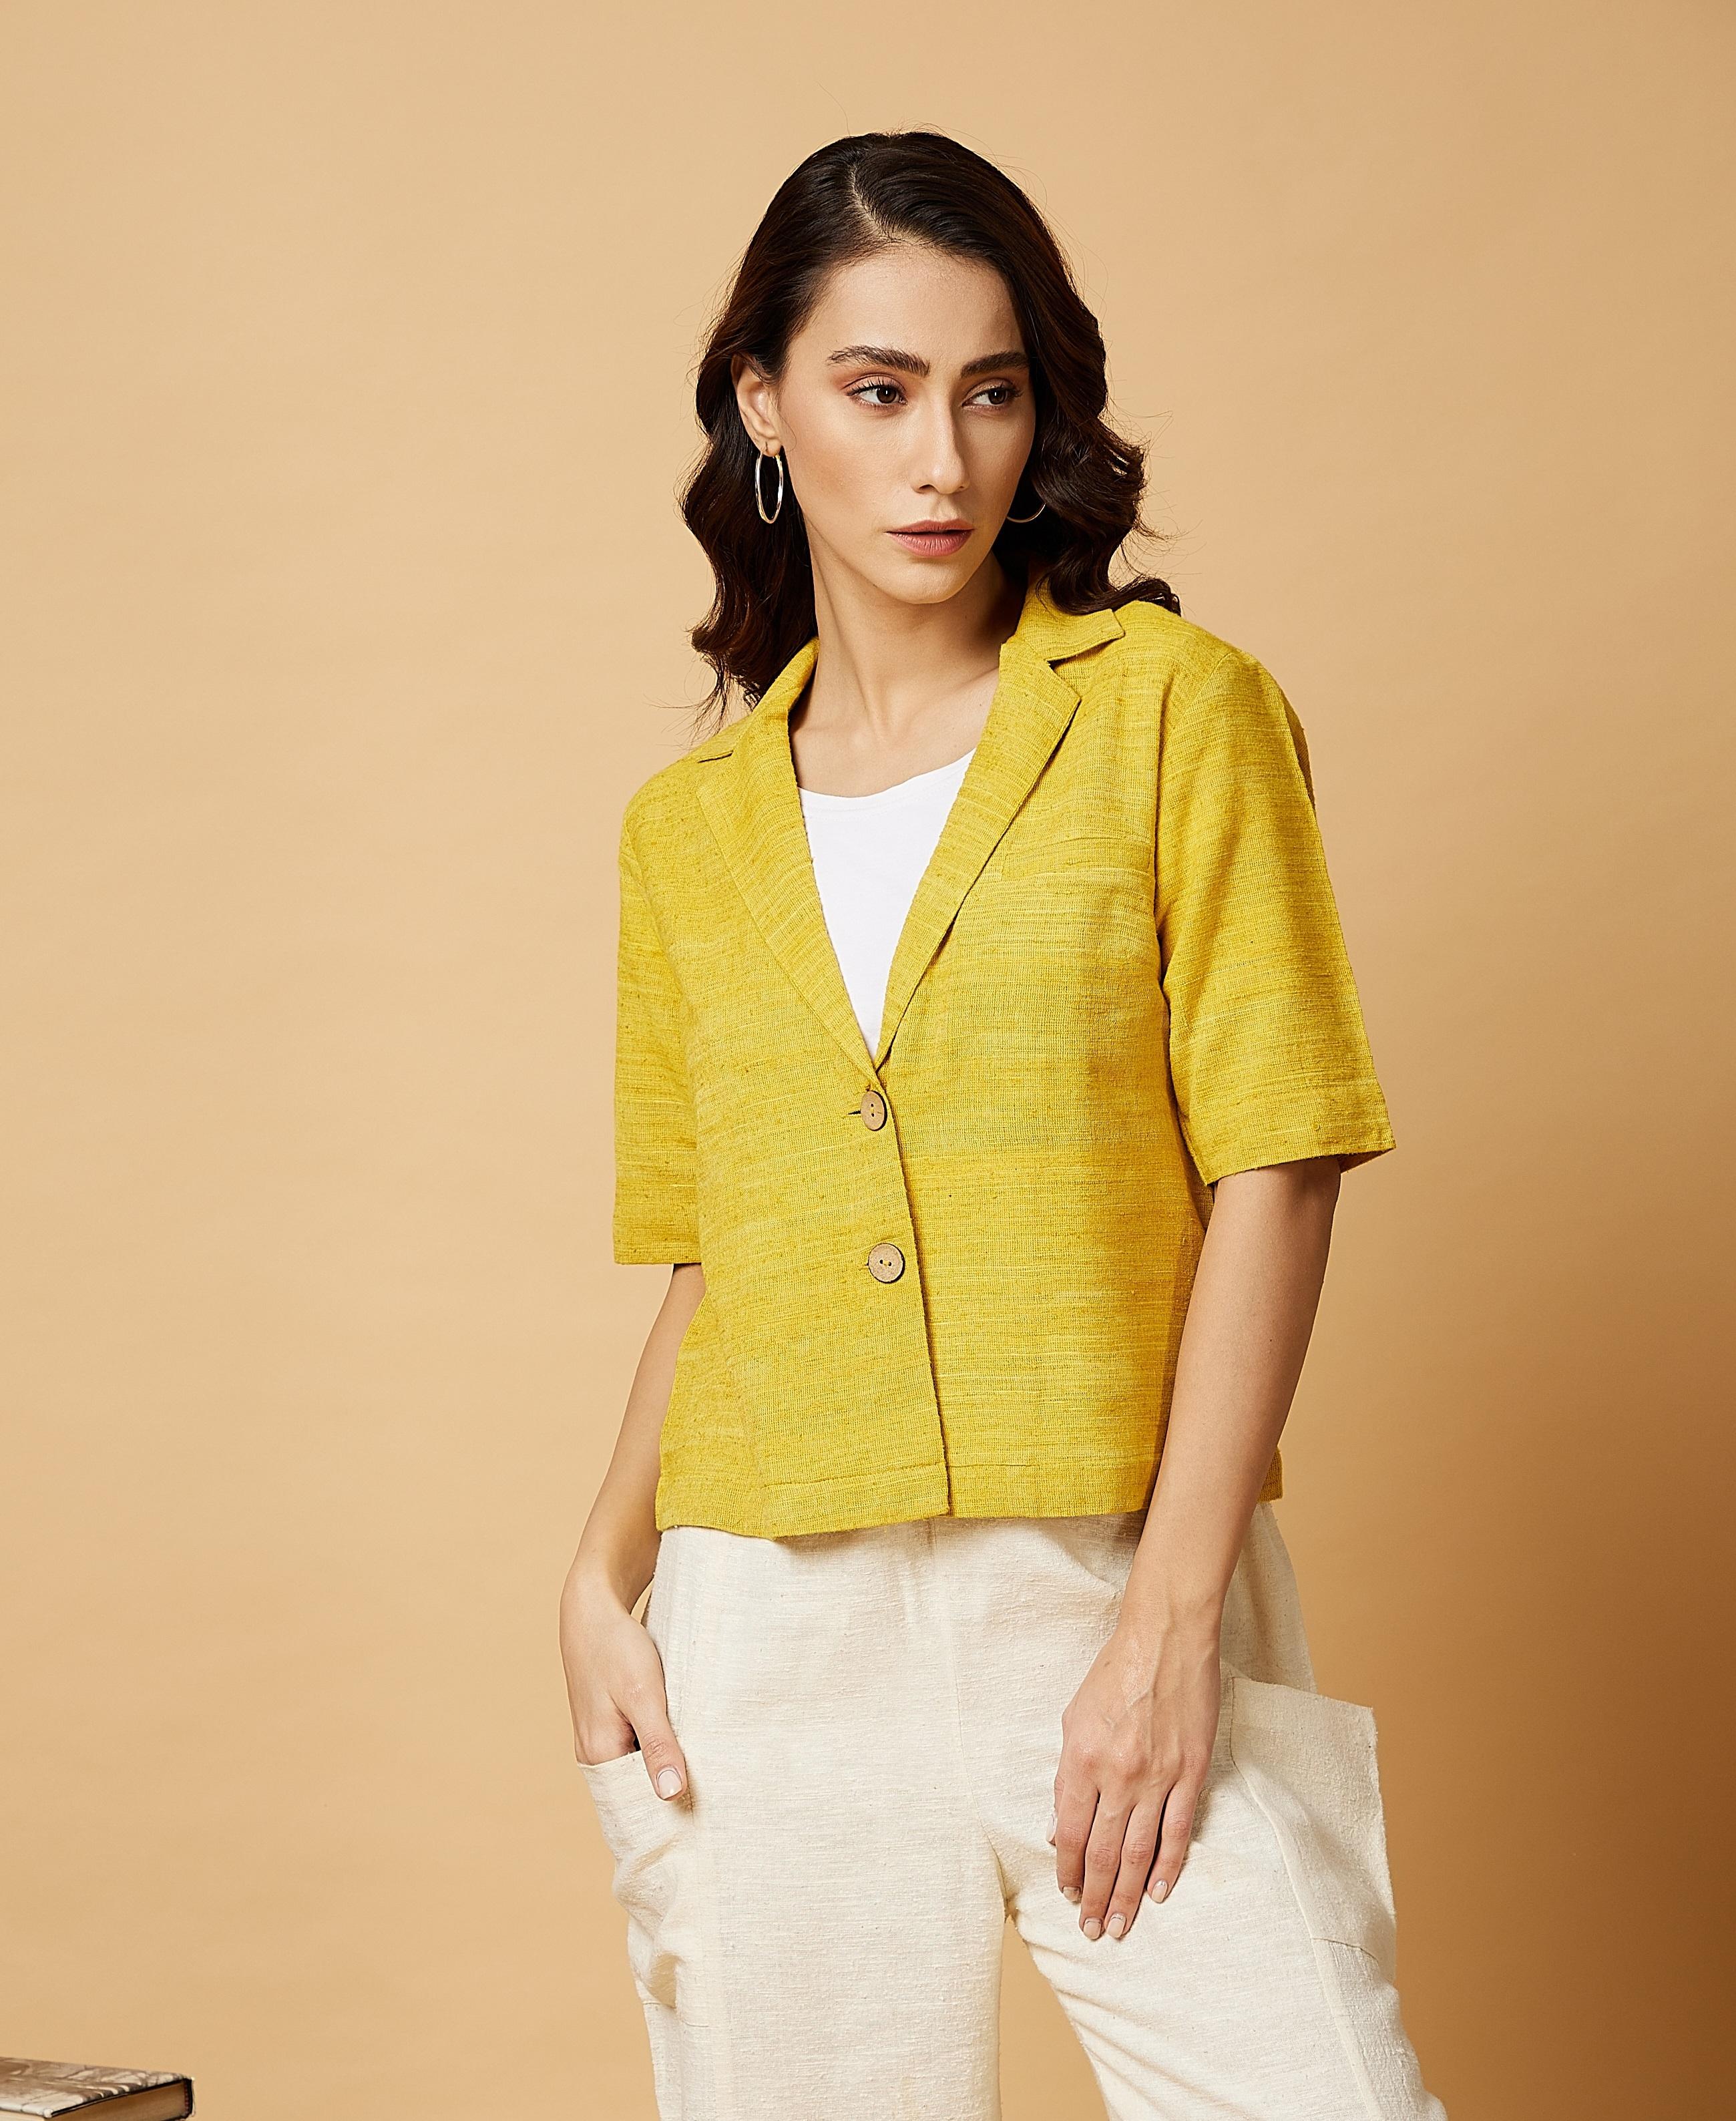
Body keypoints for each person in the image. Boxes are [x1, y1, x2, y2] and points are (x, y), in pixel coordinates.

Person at [560, 129, 1448, 2121]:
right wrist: (596, 1574)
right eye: (876, 392)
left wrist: (1169, 1627)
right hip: (767, 1630)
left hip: (1105, 1578)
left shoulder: (1174, 715)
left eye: (990, 392)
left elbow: (1280, 1166)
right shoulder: (688, 835)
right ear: (765, 407)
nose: (941, 462)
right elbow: (719, 1260)